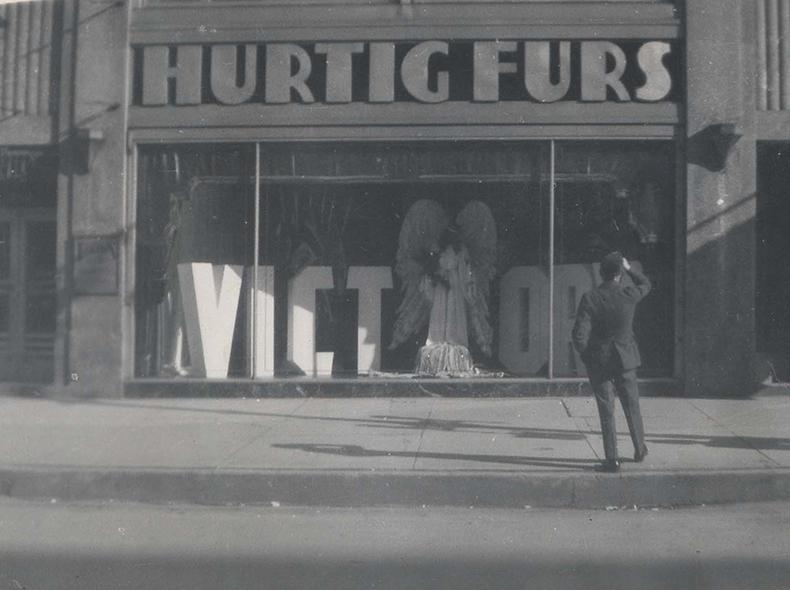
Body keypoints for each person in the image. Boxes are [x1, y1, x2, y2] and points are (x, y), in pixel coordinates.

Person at [572, 251, 651, 472]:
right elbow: (646, 284)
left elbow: (579, 335)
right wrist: (629, 268)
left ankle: (612, 458)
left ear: (600, 273)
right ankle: (639, 448)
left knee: (606, 409)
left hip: (600, 360)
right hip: (626, 358)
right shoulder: (629, 293)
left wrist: (588, 356)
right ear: (619, 274)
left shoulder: (590, 298)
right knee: (632, 405)